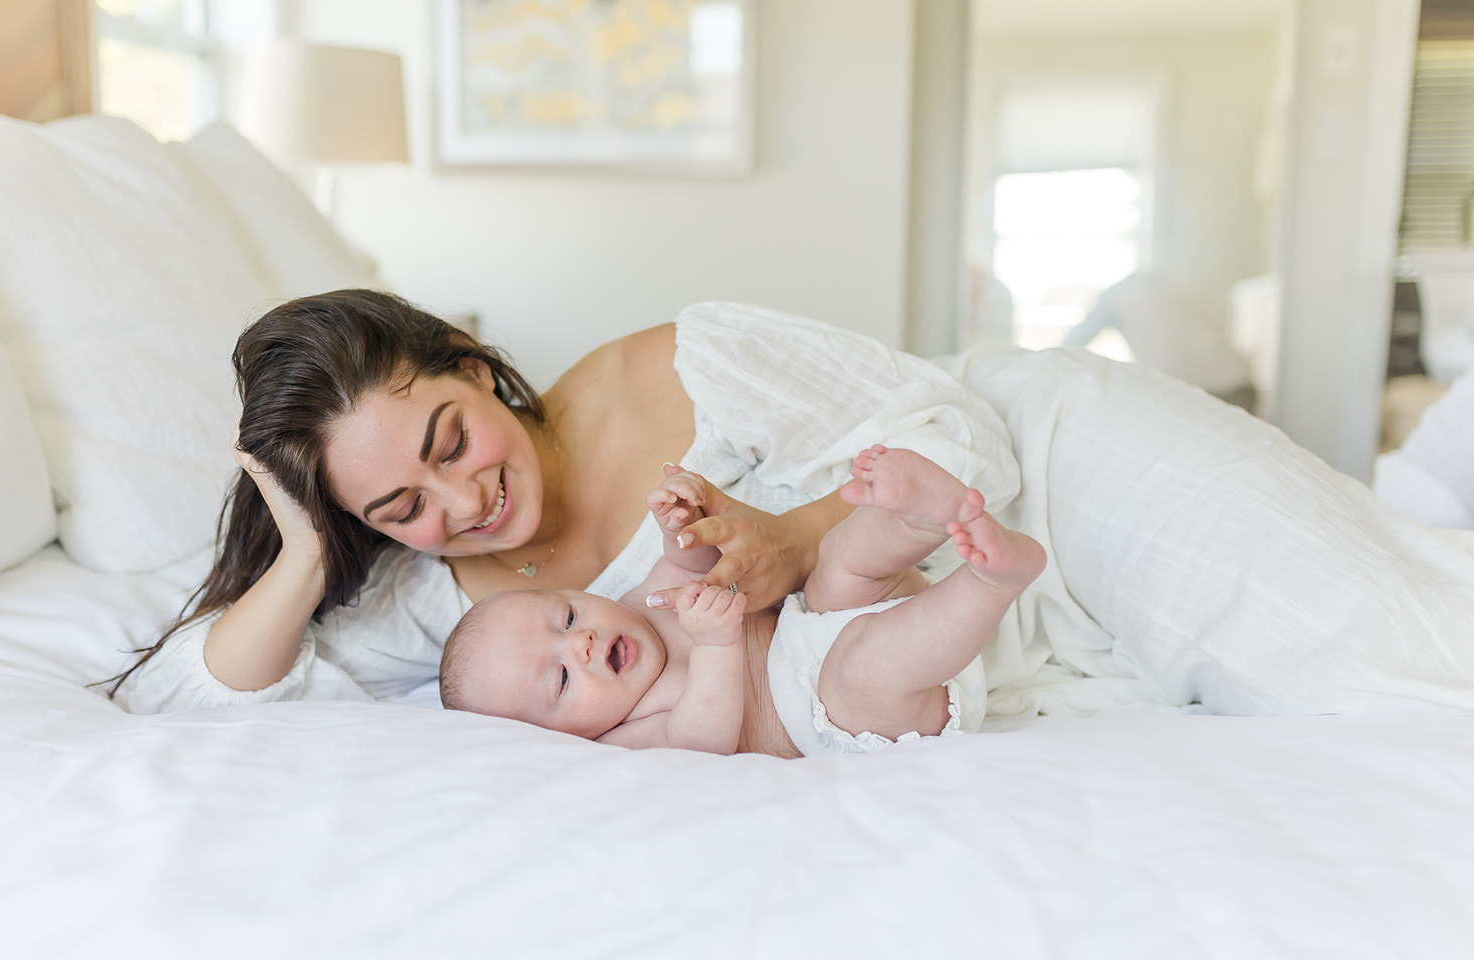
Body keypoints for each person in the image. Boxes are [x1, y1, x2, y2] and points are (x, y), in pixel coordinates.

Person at [115, 289, 1474, 725]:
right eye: (398, 505)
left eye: (450, 438)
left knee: (1409, 667)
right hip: (1011, 655)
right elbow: (196, 703)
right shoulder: (434, 601)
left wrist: (791, 542)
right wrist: (303, 544)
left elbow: (958, 433)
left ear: (474, 367)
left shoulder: (676, 361)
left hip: (1058, 471)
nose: (464, 502)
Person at [439, 450, 1045, 756]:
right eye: (562, 677)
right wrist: (715, 644)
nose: (583, 643)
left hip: (823, 618)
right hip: (847, 713)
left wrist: (686, 526)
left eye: (568, 618)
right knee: (859, 667)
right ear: (559, 737)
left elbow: (691, 565)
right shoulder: (624, 736)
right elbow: (705, 738)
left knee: (838, 560)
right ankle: (989, 581)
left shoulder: (635, 602)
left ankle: (920, 517)